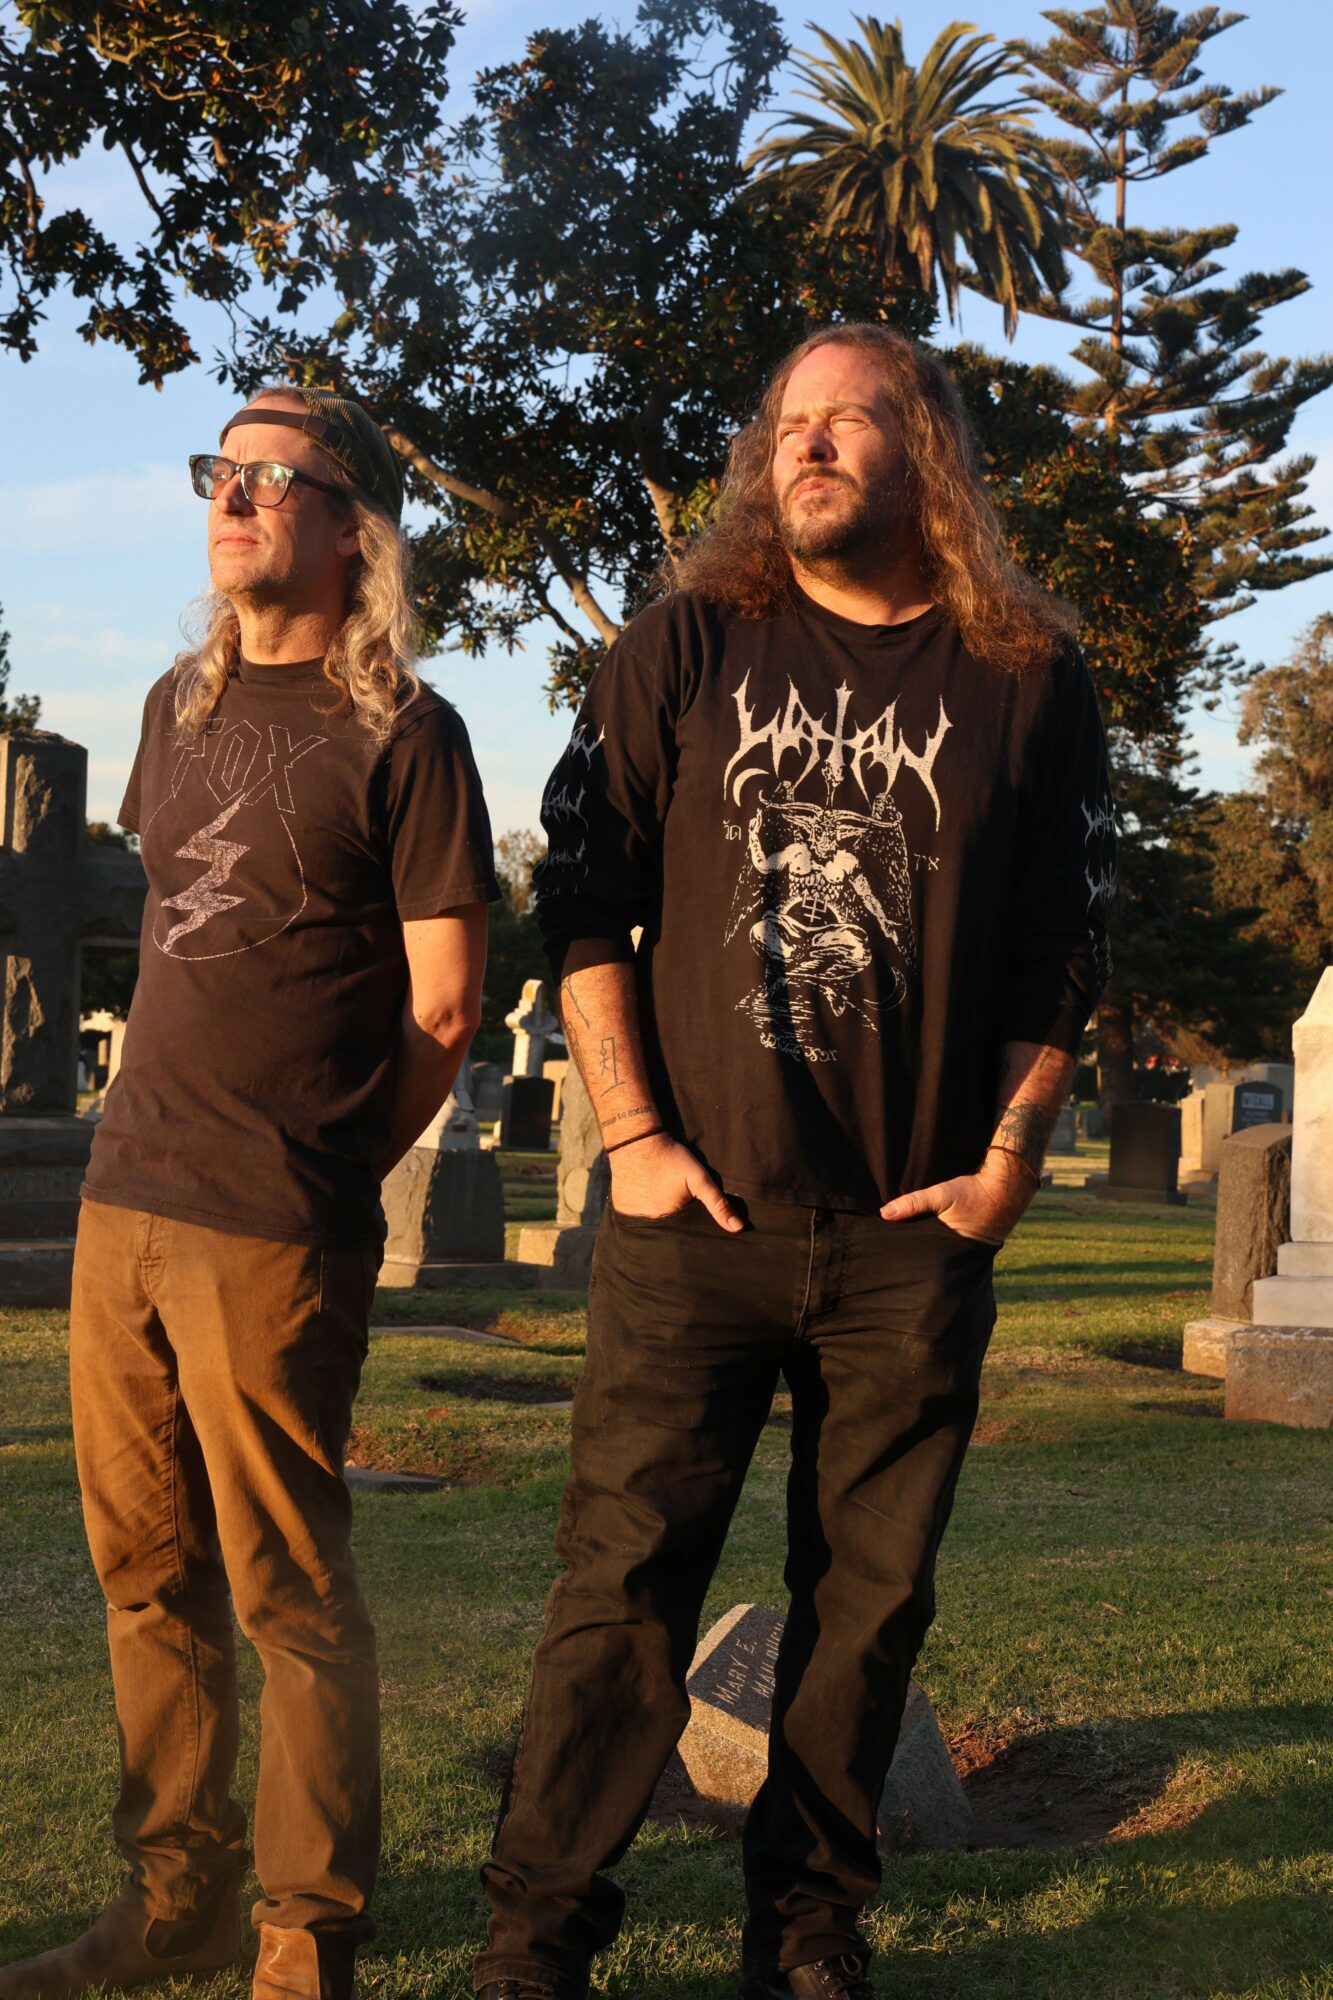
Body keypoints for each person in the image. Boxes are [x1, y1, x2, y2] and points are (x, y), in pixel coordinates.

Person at [473, 325, 1117, 2000]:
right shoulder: (683, 642)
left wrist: (1007, 1165)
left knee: (866, 1605)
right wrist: (631, 1135)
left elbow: (1060, 946)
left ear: (930, 452)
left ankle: (807, 1935)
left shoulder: (1027, 678)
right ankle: (535, 1941)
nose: (806, 445)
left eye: (850, 419)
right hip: (695, 1214)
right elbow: (581, 893)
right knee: (621, 1588)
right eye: (787, 423)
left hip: (910, 1232)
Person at [0, 390, 498, 2000]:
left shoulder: (409, 734)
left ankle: (304, 1933)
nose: (234, 495)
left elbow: (444, 1006)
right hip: (125, 1199)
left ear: (354, 530)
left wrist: (328, 1162)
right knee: (145, 1577)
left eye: (276, 476)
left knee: (287, 1587)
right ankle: (175, 1909)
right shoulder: (177, 703)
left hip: (272, 1223)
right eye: (220, 470)